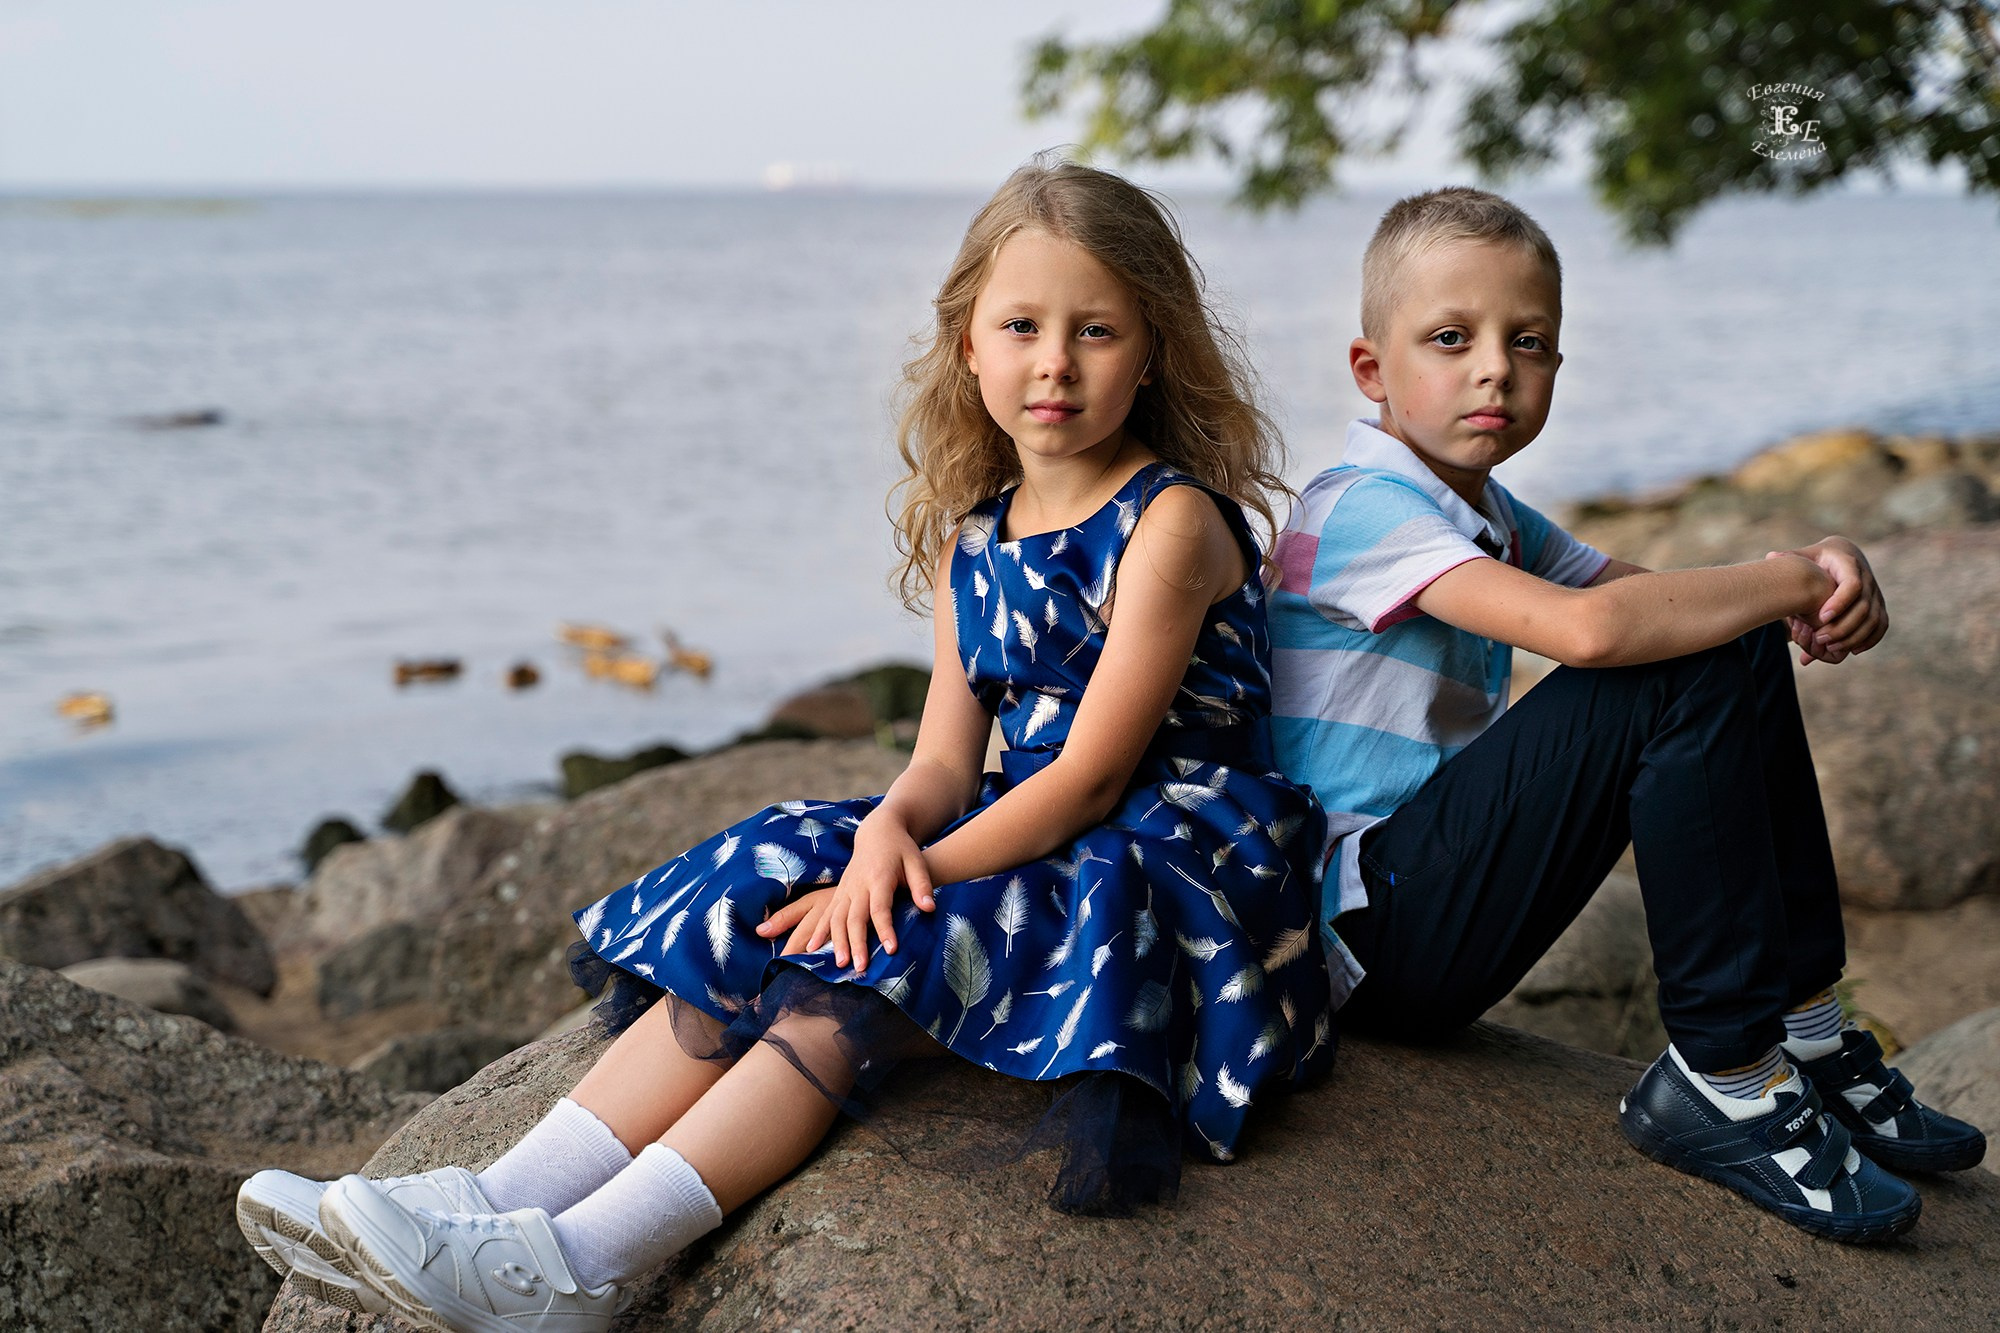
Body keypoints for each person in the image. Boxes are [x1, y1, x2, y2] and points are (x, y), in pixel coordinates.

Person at [235, 159, 1334, 1332]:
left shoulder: (1164, 522)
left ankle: (579, 1267)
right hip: (1021, 820)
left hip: (1165, 853)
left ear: (1150, 350)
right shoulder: (979, 538)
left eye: (1095, 330)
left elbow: (1090, 778)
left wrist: (900, 883)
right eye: (1020, 325)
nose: (1052, 361)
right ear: (969, 345)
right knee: (775, 888)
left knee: (854, 958)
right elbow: (942, 766)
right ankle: (486, 1198)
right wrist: (882, 843)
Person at [1268, 186, 1985, 1245]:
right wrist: (1779, 575)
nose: (1492, 370)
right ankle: (1723, 1073)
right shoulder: (1356, 507)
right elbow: (1594, 635)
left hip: (1437, 905)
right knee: (1684, 644)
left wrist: (1813, 576)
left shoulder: (1484, 512)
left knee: (1716, 633)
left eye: (1529, 343)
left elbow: (1660, 593)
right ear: (1371, 370)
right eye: (1449, 338)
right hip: (1367, 935)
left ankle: (1806, 1034)